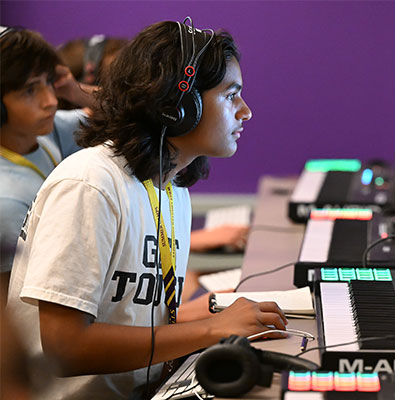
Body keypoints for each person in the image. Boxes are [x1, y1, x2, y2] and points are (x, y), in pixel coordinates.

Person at [6, 19, 287, 399]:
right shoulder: (89, 185)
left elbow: (132, 319)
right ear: (179, 106)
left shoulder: (171, 189)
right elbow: (65, 348)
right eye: (230, 95)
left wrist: (217, 319)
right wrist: (210, 329)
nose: (245, 112)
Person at [0, 27, 96, 296]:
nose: (51, 101)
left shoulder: (45, 133)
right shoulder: (6, 202)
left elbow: (127, 114)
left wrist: (77, 92)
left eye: (48, 82)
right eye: (30, 90)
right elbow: (11, 306)